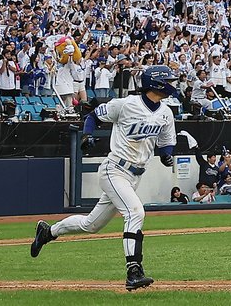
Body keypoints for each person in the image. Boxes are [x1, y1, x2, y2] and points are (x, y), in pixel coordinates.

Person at [30, 64, 180, 291]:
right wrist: (87, 136)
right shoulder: (126, 104)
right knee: (135, 212)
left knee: (91, 225)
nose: (173, 84)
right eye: (169, 80)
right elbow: (93, 117)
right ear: (156, 83)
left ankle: (48, 232)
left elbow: (167, 142)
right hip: (114, 170)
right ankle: (134, 270)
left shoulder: (166, 113)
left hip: (135, 175)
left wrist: (167, 155)